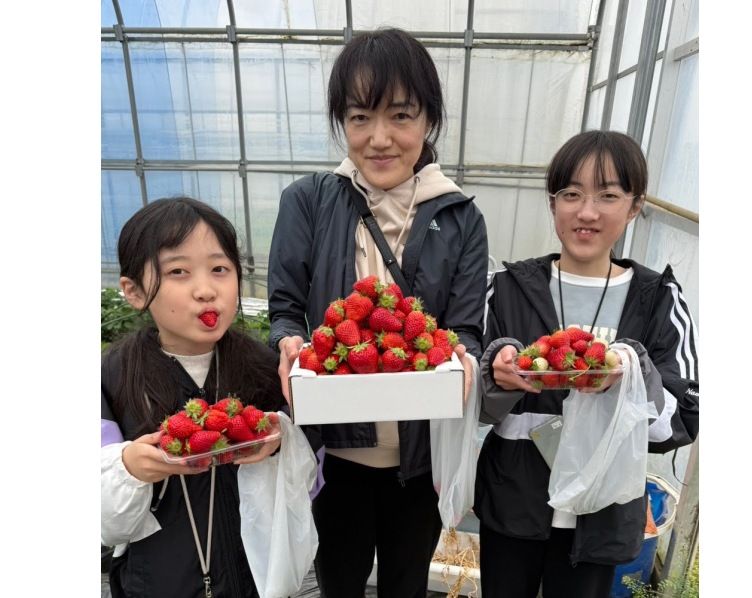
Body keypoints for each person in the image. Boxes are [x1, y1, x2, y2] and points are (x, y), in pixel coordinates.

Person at [267, 27, 489, 598]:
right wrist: (290, 341)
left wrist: (463, 355)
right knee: (338, 582)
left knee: (405, 585)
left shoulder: (460, 217)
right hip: (333, 455)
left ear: (429, 121)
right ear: (342, 121)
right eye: (360, 117)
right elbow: (286, 307)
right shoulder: (309, 202)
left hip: (418, 461)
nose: (379, 138)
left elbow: (465, 328)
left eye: (401, 115)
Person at [474, 130, 699, 598]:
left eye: (609, 196)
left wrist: (629, 381)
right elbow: (468, 398)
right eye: (571, 194)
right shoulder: (508, 287)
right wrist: (498, 371)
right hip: (515, 496)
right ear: (553, 203)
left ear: (635, 206)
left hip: (603, 507)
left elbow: (683, 415)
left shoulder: (657, 298)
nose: (587, 212)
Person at [101, 197, 285, 598]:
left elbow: (309, 482)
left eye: (220, 269)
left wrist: (280, 443)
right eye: (178, 272)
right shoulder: (111, 378)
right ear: (133, 291)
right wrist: (128, 467)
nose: (206, 291)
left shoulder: (265, 370)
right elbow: (102, 521)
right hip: (156, 584)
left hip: (253, 581)